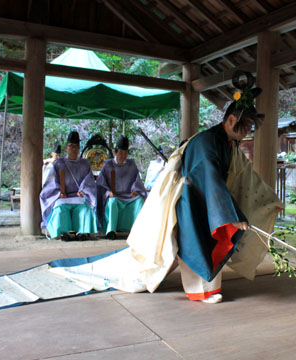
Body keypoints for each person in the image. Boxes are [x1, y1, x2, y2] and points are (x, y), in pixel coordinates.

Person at [126, 71, 283, 303]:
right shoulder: (207, 141)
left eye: (251, 125)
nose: (249, 130)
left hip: (207, 199)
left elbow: (246, 175)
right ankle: (202, 291)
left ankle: (207, 288)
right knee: (197, 243)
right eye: (247, 124)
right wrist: (230, 214)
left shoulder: (230, 145)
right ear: (231, 120)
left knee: (208, 243)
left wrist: (269, 201)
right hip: (191, 200)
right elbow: (210, 177)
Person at [40, 131, 98, 241]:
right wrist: (59, 193)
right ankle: (63, 233)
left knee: (85, 207)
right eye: (71, 146)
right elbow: (51, 182)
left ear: (79, 148)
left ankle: (82, 232)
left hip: (78, 196)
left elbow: (89, 181)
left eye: (76, 147)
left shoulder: (84, 163)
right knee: (60, 208)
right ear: (66, 148)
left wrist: (83, 191)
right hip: (63, 196)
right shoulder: (59, 163)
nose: (74, 149)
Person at [96, 135, 147, 238]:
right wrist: (108, 193)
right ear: (115, 152)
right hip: (114, 197)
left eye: (125, 152)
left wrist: (135, 191)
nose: (123, 155)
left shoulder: (131, 165)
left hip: (128, 197)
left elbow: (136, 181)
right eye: (121, 152)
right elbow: (100, 185)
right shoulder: (108, 165)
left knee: (140, 201)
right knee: (112, 201)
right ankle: (111, 231)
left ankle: (137, 230)